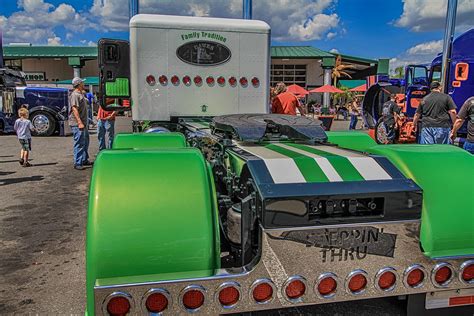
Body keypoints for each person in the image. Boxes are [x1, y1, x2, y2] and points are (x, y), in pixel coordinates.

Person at [69, 77, 92, 170]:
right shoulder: (75, 95)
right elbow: (74, 109)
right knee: (79, 142)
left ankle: (84, 159)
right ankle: (77, 162)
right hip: (78, 123)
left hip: (84, 123)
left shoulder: (81, 94)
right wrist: (79, 122)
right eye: (82, 82)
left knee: (85, 141)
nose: (84, 84)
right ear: (79, 84)